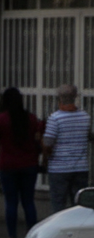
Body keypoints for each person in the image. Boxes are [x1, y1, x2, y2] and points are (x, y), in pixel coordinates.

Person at [0, 87, 44, 238]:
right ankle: (32, 237)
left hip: (8, 166)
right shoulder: (31, 118)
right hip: (29, 164)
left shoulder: (0, 120)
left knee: (11, 202)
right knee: (28, 201)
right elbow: (40, 134)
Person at [43, 84, 91, 212]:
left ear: (59, 98)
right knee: (80, 206)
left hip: (59, 169)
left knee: (58, 204)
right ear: (75, 97)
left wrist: (46, 159)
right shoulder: (85, 117)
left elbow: (47, 143)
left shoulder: (55, 118)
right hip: (81, 167)